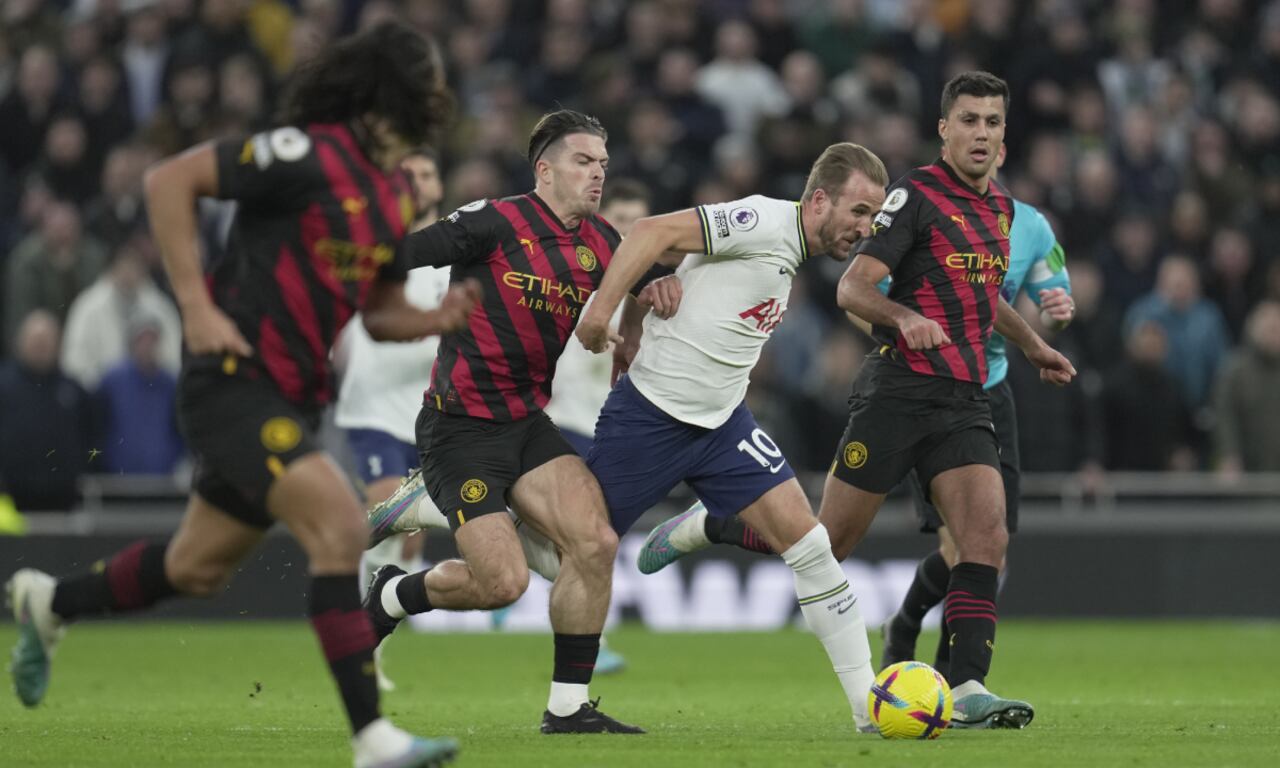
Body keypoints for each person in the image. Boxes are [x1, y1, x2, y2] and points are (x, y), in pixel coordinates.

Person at [6, 23, 479, 768]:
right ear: (393, 94)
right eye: (427, 82)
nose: (437, 97)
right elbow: (169, 181)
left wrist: (433, 318)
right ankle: (373, 739)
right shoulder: (305, 153)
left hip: (293, 399)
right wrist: (194, 306)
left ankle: (48, 603)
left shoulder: (387, 199)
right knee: (338, 524)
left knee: (195, 569)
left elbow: (381, 314)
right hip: (233, 382)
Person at [635, 72, 1076, 729]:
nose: (980, 132)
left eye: (991, 122)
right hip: (898, 391)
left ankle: (969, 684)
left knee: (986, 533)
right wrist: (904, 319)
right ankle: (712, 523)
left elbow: (986, 300)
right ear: (944, 129)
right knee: (826, 544)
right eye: (969, 120)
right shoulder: (915, 198)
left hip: (962, 398)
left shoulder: (1002, 214)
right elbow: (853, 288)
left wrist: (1034, 346)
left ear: (1004, 139)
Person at [360, 110, 674, 735]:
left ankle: (568, 709)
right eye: (584, 161)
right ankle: (394, 594)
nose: (597, 174)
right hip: (459, 429)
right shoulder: (493, 221)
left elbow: (652, 274)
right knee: (501, 585)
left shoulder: (604, 241)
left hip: (526, 424)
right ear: (545, 169)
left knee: (597, 544)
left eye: (603, 164)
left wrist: (660, 288)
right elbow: (405, 253)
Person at [575, 142, 890, 733]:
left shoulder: (793, 254)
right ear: (819, 200)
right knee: (560, 547)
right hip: (652, 417)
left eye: (873, 217)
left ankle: (867, 710)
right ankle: (440, 501)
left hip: (723, 425)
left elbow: (679, 277)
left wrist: (651, 301)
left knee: (814, 550)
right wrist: (603, 313)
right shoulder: (762, 221)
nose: (865, 228)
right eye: (859, 211)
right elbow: (645, 231)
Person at [879, 147, 1075, 676]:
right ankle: (948, 674)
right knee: (960, 542)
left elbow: (1052, 302)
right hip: (931, 389)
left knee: (991, 549)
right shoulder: (926, 216)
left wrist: (1056, 316)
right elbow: (871, 295)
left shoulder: (1031, 226)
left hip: (992, 392)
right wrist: (903, 331)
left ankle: (911, 627)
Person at [334, 145, 449, 692]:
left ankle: (369, 627)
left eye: (428, 173)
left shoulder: (454, 250)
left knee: (407, 543)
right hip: (372, 406)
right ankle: (360, 648)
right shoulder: (373, 242)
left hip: (427, 415)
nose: (422, 182)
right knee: (384, 514)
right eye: (411, 174)